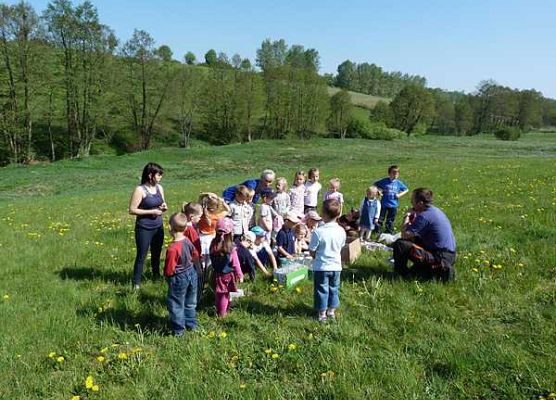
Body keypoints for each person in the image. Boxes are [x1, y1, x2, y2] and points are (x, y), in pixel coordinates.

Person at [392, 188, 456, 282]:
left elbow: (404, 235)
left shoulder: (424, 217)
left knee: (400, 244)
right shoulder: (435, 211)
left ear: (420, 203)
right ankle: (424, 271)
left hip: (439, 257)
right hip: (449, 255)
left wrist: (407, 216)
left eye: (413, 201)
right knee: (414, 239)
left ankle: (401, 275)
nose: (411, 203)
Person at [128, 162, 168, 289]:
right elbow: (132, 210)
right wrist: (151, 211)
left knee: (156, 253)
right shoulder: (140, 190)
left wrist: (163, 207)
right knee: (142, 255)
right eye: (159, 175)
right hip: (144, 227)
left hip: (158, 226)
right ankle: (136, 283)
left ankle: (156, 276)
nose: (160, 177)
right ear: (150, 175)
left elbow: (162, 202)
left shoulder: (159, 188)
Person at [309, 199, 346, 323]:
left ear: (323, 214)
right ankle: (331, 311)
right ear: (338, 214)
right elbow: (341, 247)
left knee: (321, 289)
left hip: (322, 267)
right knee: (334, 288)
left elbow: (312, 250)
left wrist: (315, 256)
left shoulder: (318, 232)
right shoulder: (341, 231)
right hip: (336, 266)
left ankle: (322, 313)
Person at [164, 213, 199, 336]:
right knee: (190, 302)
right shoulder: (188, 241)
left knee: (176, 304)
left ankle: (179, 330)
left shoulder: (172, 249)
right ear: (185, 228)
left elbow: (169, 269)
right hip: (191, 273)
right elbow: (195, 255)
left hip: (179, 277)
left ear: (169, 228)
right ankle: (191, 324)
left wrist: (168, 278)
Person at [210, 218, 244, 317]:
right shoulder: (230, 247)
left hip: (216, 273)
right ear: (230, 233)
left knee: (219, 294)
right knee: (224, 295)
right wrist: (240, 275)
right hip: (227, 275)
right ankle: (222, 313)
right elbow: (235, 264)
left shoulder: (213, 244)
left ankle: (222, 308)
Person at [198, 194, 230, 269]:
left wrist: (206, 195)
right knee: (209, 257)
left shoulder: (202, 214)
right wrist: (222, 201)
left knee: (202, 257)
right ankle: (208, 271)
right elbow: (228, 210)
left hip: (203, 237)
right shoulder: (218, 216)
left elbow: (199, 200)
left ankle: (202, 271)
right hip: (212, 236)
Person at [374, 165, 408, 234]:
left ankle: (388, 231)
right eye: (394, 173)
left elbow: (406, 189)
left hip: (393, 205)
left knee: (390, 219)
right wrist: (379, 191)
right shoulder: (384, 181)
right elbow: (375, 184)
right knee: (381, 218)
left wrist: (399, 195)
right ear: (389, 173)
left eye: (397, 173)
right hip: (384, 204)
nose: (395, 174)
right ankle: (378, 231)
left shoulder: (398, 183)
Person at [181, 202, 204, 303]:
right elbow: (194, 251)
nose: (200, 219)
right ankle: (195, 302)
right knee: (197, 282)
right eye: (199, 217)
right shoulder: (190, 231)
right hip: (193, 262)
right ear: (191, 217)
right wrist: (198, 267)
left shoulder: (183, 227)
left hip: (184, 262)